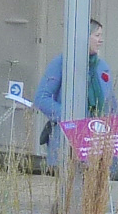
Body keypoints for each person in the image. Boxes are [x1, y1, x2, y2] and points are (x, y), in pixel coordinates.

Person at [33, 20, 113, 165]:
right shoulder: (62, 63)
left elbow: (109, 104)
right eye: (97, 35)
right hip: (67, 140)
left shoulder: (102, 66)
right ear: (84, 37)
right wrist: (71, 117)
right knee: (68, 186)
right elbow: (41, 98)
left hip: (97, 142)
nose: (101, 40)